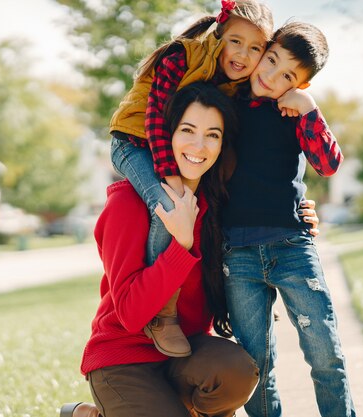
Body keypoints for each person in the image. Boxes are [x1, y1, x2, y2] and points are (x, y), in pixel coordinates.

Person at [62, 82, 260, 417]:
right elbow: (131, 313)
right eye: (187, 130)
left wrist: (299, 219)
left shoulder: (217, 205)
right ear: (166, 135)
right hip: (125, 358)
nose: (199, 145)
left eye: (213, 134)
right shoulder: (127, 202)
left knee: (236, 371)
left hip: (186, 353)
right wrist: (180, 245)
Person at [109, 0, 275, 358]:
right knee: (170, 206)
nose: (243, 55)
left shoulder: (236, 84)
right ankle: (163, 313)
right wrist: (173, 179)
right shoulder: (183, 56)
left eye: (255, 48)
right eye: (235, 41)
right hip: (133, 142)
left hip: (166, 149)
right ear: (219, 33)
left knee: (196, 205)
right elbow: (156, 117)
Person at [221, 22, 356, 417]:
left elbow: (328, 165)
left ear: (301, 85)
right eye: (272, 60)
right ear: (264, 49)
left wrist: (309, 110)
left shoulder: (294, 112)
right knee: (257, 367)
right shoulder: (226, 104)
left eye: (287, 77)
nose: (271, 75)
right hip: (238, 254)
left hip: (292, 247)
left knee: (325, 354)